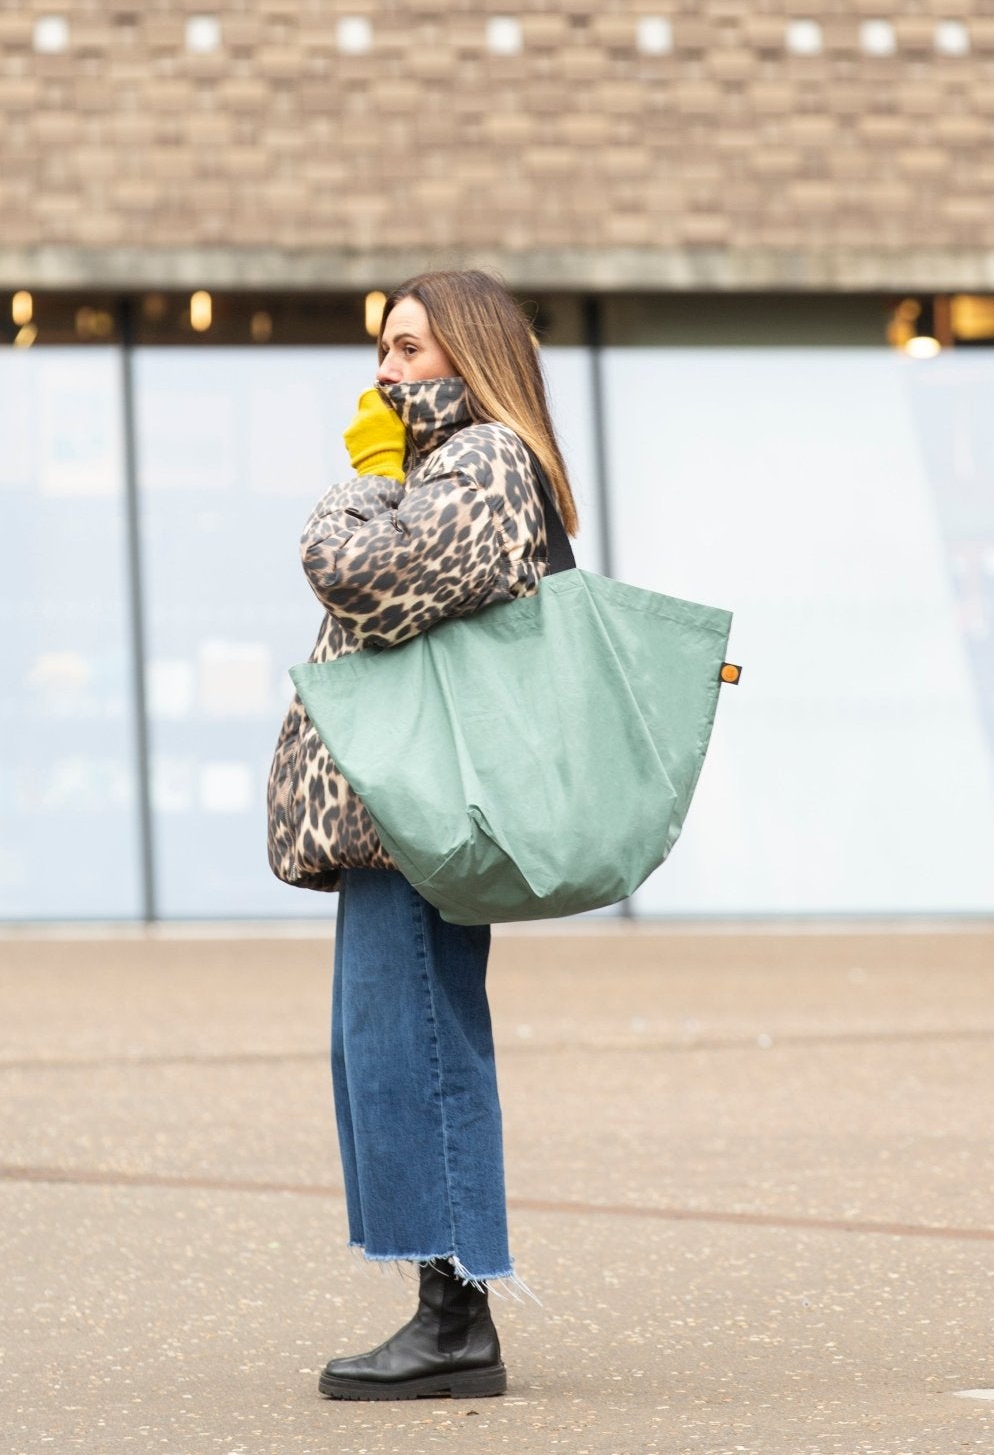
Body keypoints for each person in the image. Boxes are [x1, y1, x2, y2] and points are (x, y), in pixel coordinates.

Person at [267, 268, 579, 1402]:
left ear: (471, 356)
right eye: (384, 350)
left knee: (422, 1044)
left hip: (422, 811)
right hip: (397, 810)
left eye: (408, 350)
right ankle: (443, 1303)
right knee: (386, 1048)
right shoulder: (448, 464)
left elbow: (362, 573)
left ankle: (456, 1318)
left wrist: (369, 475)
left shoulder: (485, 460)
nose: (385, 371)